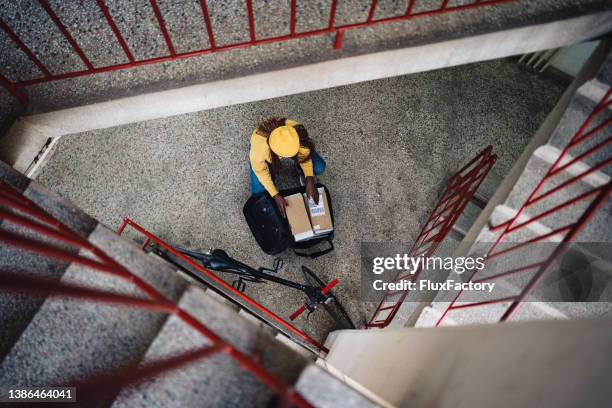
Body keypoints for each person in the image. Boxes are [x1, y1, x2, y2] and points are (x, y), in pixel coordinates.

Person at [249, 117, 326, 218]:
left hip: (285, 147)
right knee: (258, 193)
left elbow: (304, 154)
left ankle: (300, 169)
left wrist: (309, 178)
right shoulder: (259, 150)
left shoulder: (296, 131)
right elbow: (261, 172)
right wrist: (275, 195)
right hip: (264, 152)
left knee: (319, 167)